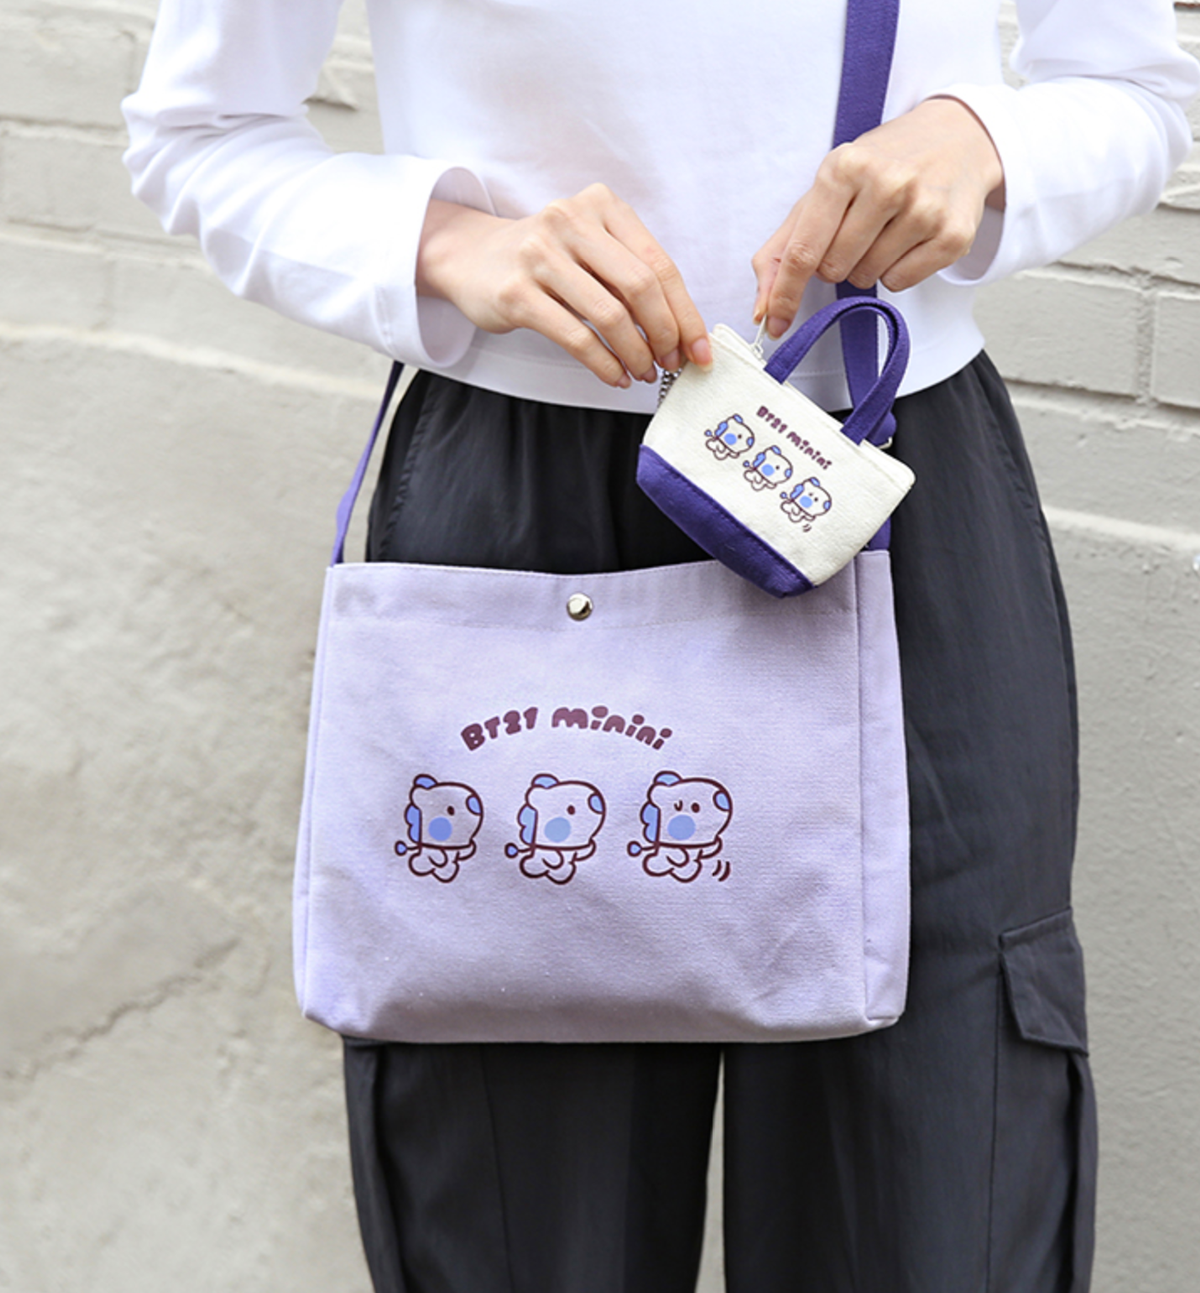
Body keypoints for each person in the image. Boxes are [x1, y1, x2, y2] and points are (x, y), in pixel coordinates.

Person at [123, 3, 1197, 1290]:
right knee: (522, 1218)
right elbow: (199, 133)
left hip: (877, 481)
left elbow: (1138, 93)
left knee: (933, 1186)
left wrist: (982, 141)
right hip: (520, 515)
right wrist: (452, 243)